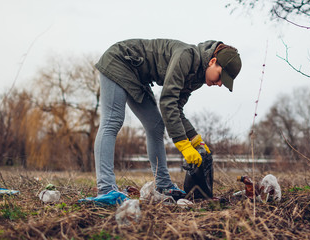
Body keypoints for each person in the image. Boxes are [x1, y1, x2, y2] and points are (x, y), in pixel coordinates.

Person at [92, 38, 241, 204]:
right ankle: (105, 189)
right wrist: (183, 144)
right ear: (212, 62)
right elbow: (167, 101)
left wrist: (194, 139)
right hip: (119, 60)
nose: (220, 83)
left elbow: (176, 108)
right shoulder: (186, 57)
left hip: (138, 76)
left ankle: (163, 185)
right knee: (112, 120)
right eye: (221, 76)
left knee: (155, 126)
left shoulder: (198, 78)